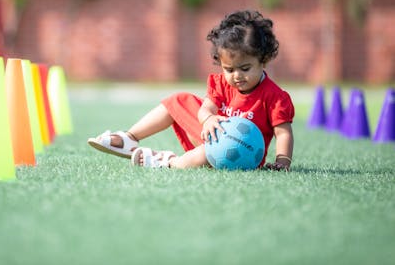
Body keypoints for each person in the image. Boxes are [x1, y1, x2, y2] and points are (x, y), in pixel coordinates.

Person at [87, 10, 294, 171]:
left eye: (245, 69)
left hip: (242, 153)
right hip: (211, 134)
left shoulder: (275, 97)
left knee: (205, 153)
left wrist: (282, 161)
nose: (237, 76)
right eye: (229, 69)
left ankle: (167, 162)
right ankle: (129, 137)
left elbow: (283, 133)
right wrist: (209, 119)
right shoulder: (222, 83)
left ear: (263, 61)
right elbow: (206, 108)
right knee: (179, 99)